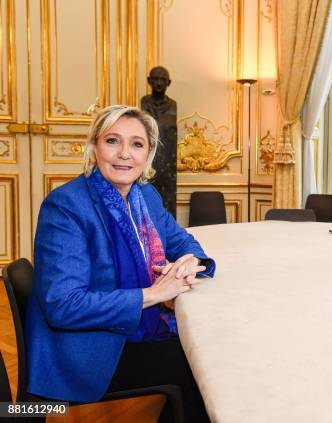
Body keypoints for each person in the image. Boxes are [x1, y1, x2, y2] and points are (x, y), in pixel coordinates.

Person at [26, 105, 214, 422]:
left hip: (130, 329)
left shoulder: (146, 196)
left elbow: (183, 241)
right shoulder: (66, 205)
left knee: (203, 350)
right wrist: (154, 294)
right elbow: (63, 306)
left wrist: (188, 260)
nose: (124, 154)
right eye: (112, 141)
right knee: (204, 365)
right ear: (94, 147)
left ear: (149, 153)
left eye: (137, 144)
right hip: (89, 348)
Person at [141, 66, 178, 217]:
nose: (158, 83)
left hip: (169, 167)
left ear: (168, 82)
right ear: (149, 81)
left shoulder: (173, 105)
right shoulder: (143, 103)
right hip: (147, 161)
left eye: (162, 79)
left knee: (167, 205)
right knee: (147, 201)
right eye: (155, 79)